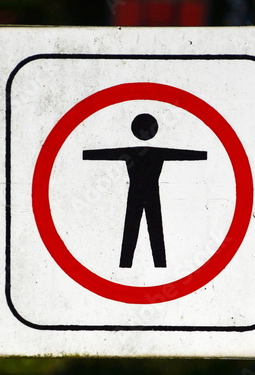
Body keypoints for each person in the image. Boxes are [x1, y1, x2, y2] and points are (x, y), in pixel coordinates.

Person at [83, 113, 207, 268]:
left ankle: (135, 265)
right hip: (145, 193)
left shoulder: (136, 152)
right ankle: (150, 266)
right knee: (147, 230)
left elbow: (103, 153)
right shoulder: (153, 152)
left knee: (139, 230)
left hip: (141, 192)